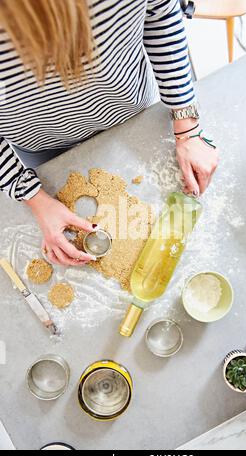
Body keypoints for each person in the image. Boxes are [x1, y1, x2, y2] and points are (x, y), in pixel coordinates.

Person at [0, 0, 219, 266]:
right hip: (40, 142)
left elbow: (161, 13)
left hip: (131, 113)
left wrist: (187, 125)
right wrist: (34, 197)